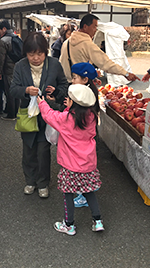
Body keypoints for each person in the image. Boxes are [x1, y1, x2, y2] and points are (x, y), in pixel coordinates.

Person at [37, 82, 104, 236]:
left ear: (73, 102)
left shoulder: (66, 118)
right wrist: (70, 107)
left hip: (70, 165)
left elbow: (50, 115)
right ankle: (97, 221)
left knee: (68, 193)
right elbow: (75, 115)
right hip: (88, 163)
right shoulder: (92, 116)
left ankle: (69, 225)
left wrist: (42, 103)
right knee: (89, 191)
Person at [10, 32, 68, 198]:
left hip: (47, 115)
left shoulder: (54, 64)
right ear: (25, 53)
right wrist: (26, 91)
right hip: (27, 115)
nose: (36, 58)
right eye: (31, 54)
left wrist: (56, 93)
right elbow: (13, 89)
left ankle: (43, 183)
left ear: (46, 51)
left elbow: (64, 86)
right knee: (28, 150)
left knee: (43, 151)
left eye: (39, 54)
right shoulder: (20, 66)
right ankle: (30, 180)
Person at [59, 14, 139, 84]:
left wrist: (93, 77)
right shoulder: (87, 44)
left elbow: (62, 63)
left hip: (66, 83)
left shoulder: (66, 42)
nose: (96, 30)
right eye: (94, 27)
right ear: (85, 27)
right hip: (80, 84)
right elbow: (105, 63)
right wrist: (126, 73)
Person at [0, 20, 20, 120]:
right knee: (17, 90)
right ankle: (16, 112)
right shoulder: (17, 37)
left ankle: (11, 114)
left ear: (4, 29)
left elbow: (1, 59)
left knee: (9, 92)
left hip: (8, 69)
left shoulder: (3, 41)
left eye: (0, 30)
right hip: (17, 68)